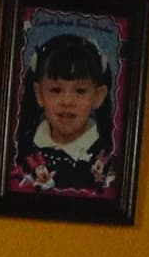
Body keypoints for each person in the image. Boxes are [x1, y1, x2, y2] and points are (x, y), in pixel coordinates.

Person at [11, 31, 116, 193]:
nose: (67, 102)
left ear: (98, 96)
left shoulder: (107, 154)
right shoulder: (23, 149)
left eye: (80, 91)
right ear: (39, 94)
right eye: (56, 90)